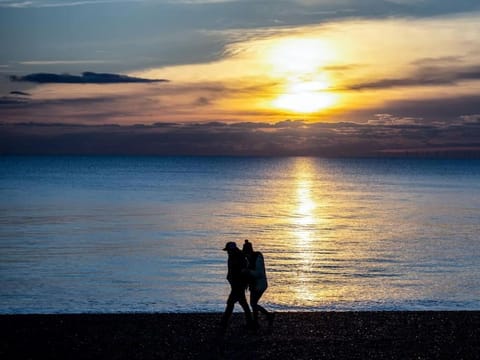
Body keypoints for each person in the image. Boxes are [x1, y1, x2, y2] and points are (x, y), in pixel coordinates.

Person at [219, 241, 253, 333]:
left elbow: (241, 271)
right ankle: (250, 322)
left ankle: (224, 322)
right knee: (242, 303)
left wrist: (237, 281)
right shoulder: (236, 256)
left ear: (232, 250)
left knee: (231, 303)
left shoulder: (238, 257)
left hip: (238, 284)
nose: (227, 252)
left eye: (228, 250)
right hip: (237, 284)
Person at [242, 239, 274, 329]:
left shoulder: (257, 257)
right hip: (255, 285)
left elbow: (259, 273)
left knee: (253, 303)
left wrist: (248, 271)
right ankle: (257, 321)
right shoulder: (251, 258)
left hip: (259, 285)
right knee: (253, 303)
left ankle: (266, 317)